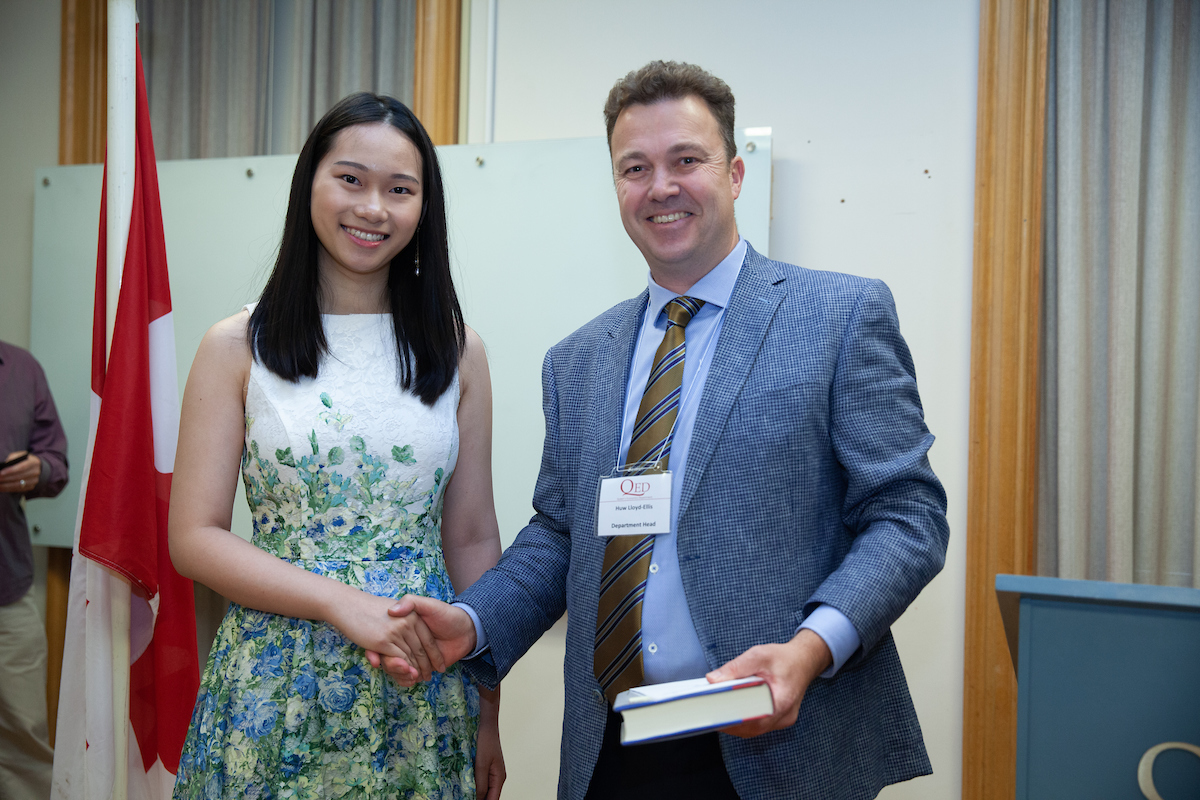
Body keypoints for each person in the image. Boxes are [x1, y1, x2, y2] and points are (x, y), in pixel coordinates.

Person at [377, 61, 950, 800]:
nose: (661, 187)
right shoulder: (577, 360)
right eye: (635, 167)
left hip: (783, 742)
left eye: (687, 160)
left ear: (736, 173)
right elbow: (560, 535)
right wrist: (473, 621)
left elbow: (908, 517)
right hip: (613, 750)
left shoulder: (838, 316)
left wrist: (812, 649)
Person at [168, 92, 505, 799]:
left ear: (423, 207)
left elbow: (471, 540)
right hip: (272, 681)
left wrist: (489, 709)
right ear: (309, 185)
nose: (373, 208)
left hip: (421, 686)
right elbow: (193, 538)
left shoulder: (458, 349)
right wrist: (336, 602)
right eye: (350, 179)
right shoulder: (235, 345)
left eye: (400, 189)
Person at [0, 340, 69, 800]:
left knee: (24, 736)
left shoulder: (21, 368)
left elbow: (56, 463)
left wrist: (37, 470)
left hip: (8, 585)